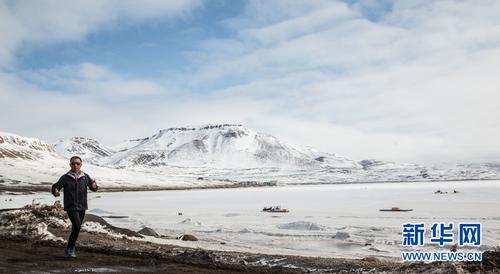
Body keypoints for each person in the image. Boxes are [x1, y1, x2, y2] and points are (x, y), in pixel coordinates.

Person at [51, 156, 98, 257]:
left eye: (77, 163)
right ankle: (71, 247)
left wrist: (94, 186)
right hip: (70, 206)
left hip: (82, 206)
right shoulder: (65, 177)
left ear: (81, 164)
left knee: (76, 228)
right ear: (70, 165)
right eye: (73, 163)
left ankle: (70, 247)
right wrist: (55, 191)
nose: (75, 165)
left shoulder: (85, 176)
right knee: (77, 226)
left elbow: (92, 186)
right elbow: (56, 186)